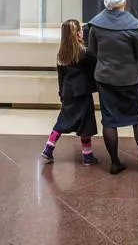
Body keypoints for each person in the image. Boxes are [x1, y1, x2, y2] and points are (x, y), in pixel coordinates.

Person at [88, 0, 138, 176]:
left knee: (109, 121)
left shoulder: (96, 24)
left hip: (105, 79)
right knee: (137, 120)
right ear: (124, 0)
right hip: (130, 80)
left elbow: (92, 51)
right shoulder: (134, 26)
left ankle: (115, 163)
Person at [41, 19, 98, 166]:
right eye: (80, 29)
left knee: (62, 121)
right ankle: (87, 156)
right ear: (77, 33)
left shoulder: (61, 55)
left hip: (68, 93)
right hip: (82, 92)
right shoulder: (84, 53)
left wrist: (61, 94)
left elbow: (61, 78)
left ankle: (48, 149)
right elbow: (94, 68)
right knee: (85, 124)